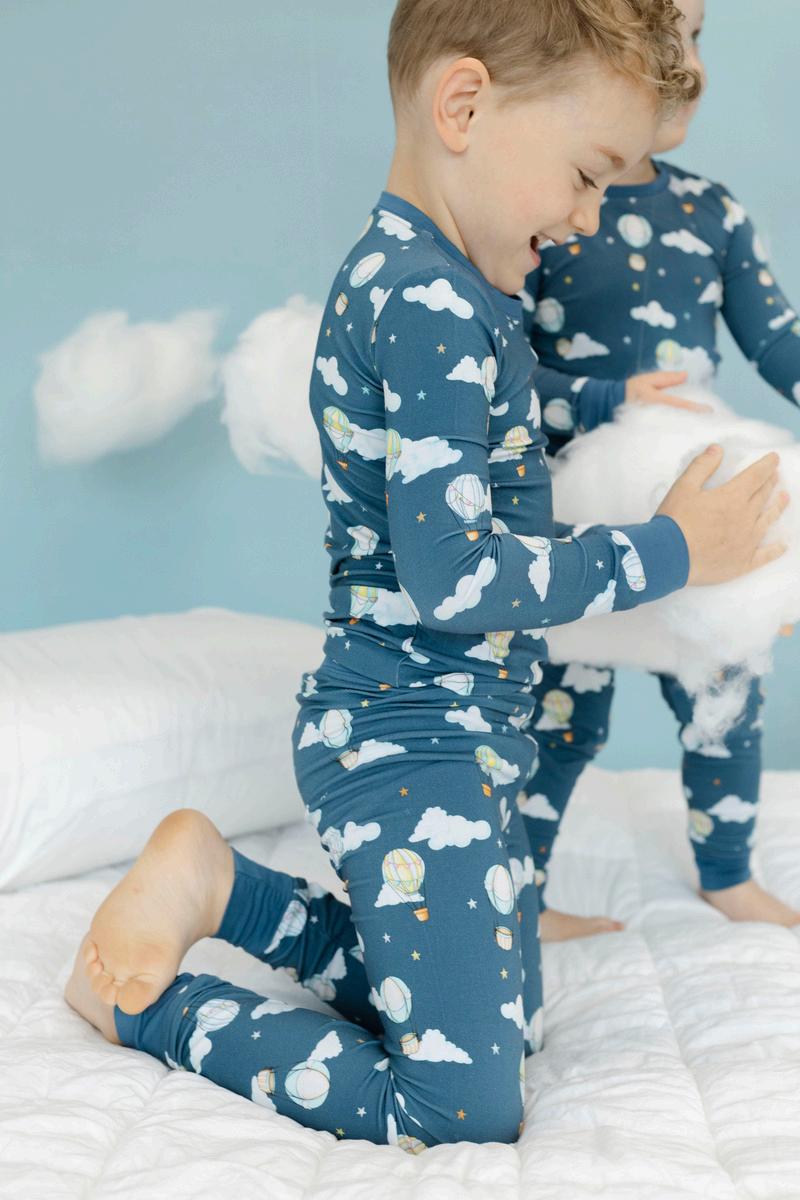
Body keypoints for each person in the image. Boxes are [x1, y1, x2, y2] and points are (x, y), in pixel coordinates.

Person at [64, 0, 787, 1150]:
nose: (588, 217)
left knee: (512, 1021)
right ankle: (144, 1007)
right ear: (463, 107)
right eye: (585, 175)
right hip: (406, 742)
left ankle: (229, 890)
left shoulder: (446, 291)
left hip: (458, 735)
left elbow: (495, 447)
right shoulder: (427, 303)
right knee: (464, 1105)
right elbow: (454, 579)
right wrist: (672, 551)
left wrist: (614, 412)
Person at [519, 0, 800, 943]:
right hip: (584, 507)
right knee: (562, 716)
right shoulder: (545, 209)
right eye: (659, 32)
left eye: (696, 33)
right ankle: (522, 890)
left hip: (693, 487)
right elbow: (501, 375)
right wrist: (604, 398)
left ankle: (729, 874)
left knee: (725, 686)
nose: (688, 60)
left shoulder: (713, 211)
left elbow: (778, 342)